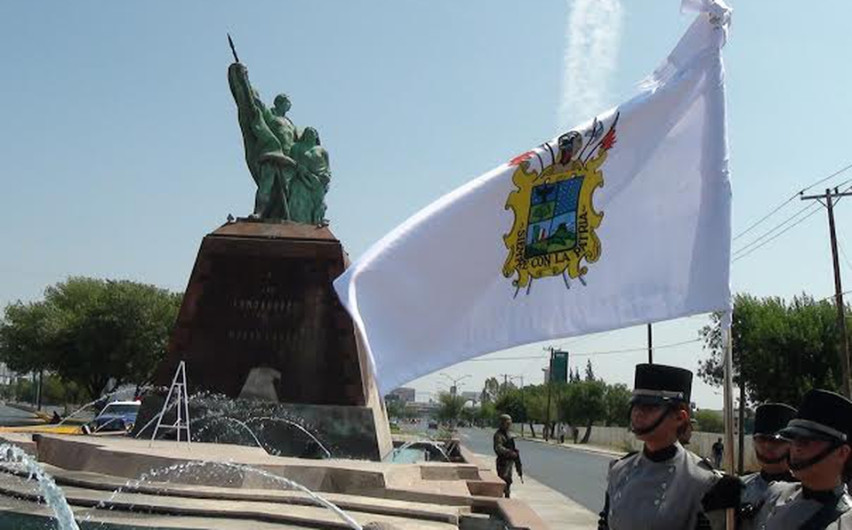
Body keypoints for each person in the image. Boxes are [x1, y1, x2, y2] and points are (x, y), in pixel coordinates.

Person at [598, 364, 726, 530]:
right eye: (636, 405)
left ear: (680, 417)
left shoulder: (702, 481)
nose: (638, 413)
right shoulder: (619, 470)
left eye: (649, 407)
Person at [753, 389, 852, 528]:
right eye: (794, 439)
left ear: (842, 453)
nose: (796, 448)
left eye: (807, 441)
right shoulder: (775, 494)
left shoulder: (846, 521)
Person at [737, 403, 797, 530]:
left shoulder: (804, 492)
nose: (767, 446)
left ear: (792, 446)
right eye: (762, 439)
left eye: (777, 441)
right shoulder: (738, 487)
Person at [494, 414, 520, 498]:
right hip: (503, 462)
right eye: (507, 423)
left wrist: (515, 453)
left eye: (510, 423)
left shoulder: (509, 435)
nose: (509, 425)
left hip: (509, 462)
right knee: (503, 481)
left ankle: (507, 496)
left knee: (508, 481)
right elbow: (498, 448)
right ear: (502, 423)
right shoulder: (499, 435)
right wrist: (509, 452)